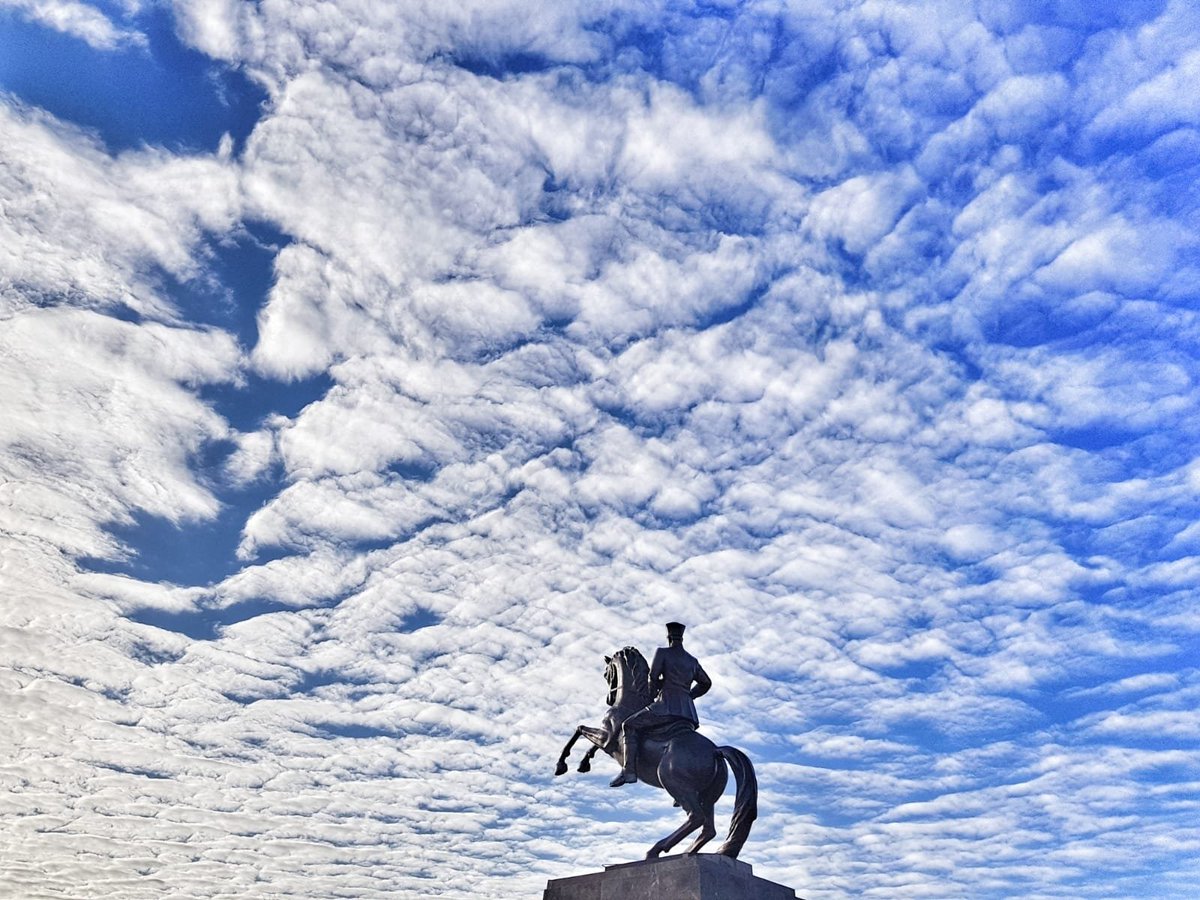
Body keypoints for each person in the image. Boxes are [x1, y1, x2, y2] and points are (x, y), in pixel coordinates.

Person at [610, 621, 713, 787]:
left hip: (665, 707)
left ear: (669, 637)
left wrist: (651, 696)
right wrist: (689, 697)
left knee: (628, 726)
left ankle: (629, 771)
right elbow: (706, 683)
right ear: (681, 638)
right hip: (687, 714)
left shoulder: (663, 652)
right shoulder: (692, 661)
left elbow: (653, 676)